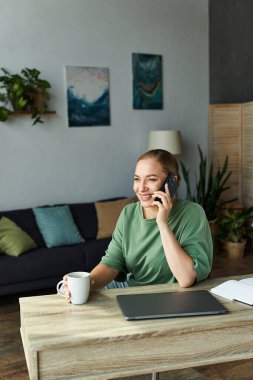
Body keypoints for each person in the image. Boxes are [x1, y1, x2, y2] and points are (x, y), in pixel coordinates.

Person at [63, 149, 213, 303]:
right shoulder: (129, 213)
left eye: (151, 179)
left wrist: (162, 223)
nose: (141, 188)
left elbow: (186, 278)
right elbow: (111, 263)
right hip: (136, 295)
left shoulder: (192, 213)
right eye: (137, 179)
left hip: (176, 299)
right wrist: (86, 283)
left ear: (171, 182)